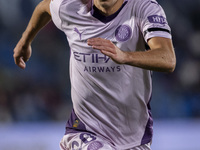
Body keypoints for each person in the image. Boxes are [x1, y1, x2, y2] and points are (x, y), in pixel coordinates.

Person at [13, 0, 176, 149]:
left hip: (134, 136)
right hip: (86, 130)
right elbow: (44, 8)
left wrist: (125, 56)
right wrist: (25, 41)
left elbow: (168, 59)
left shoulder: (144, 8)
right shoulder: (70, 7)